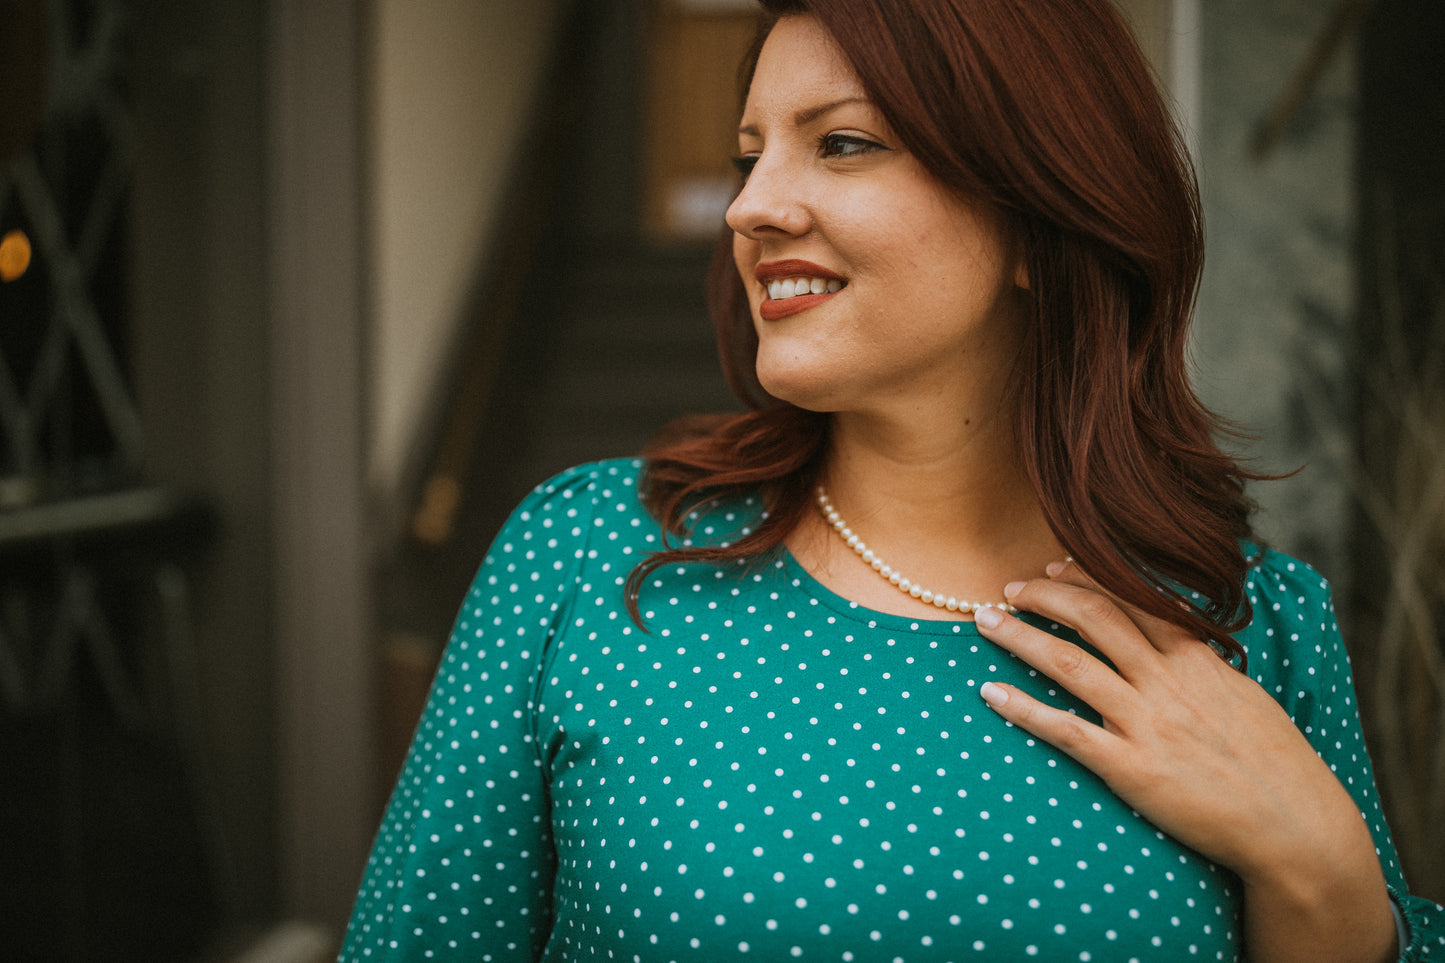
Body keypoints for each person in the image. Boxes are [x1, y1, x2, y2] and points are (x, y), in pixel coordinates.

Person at [339, 1, 1445, 960]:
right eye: (749, 152)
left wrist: (1324, 882)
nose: (748, 206)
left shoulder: (1250, 625)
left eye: (844, 145)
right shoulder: (589, 557)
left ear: (1037, 210)